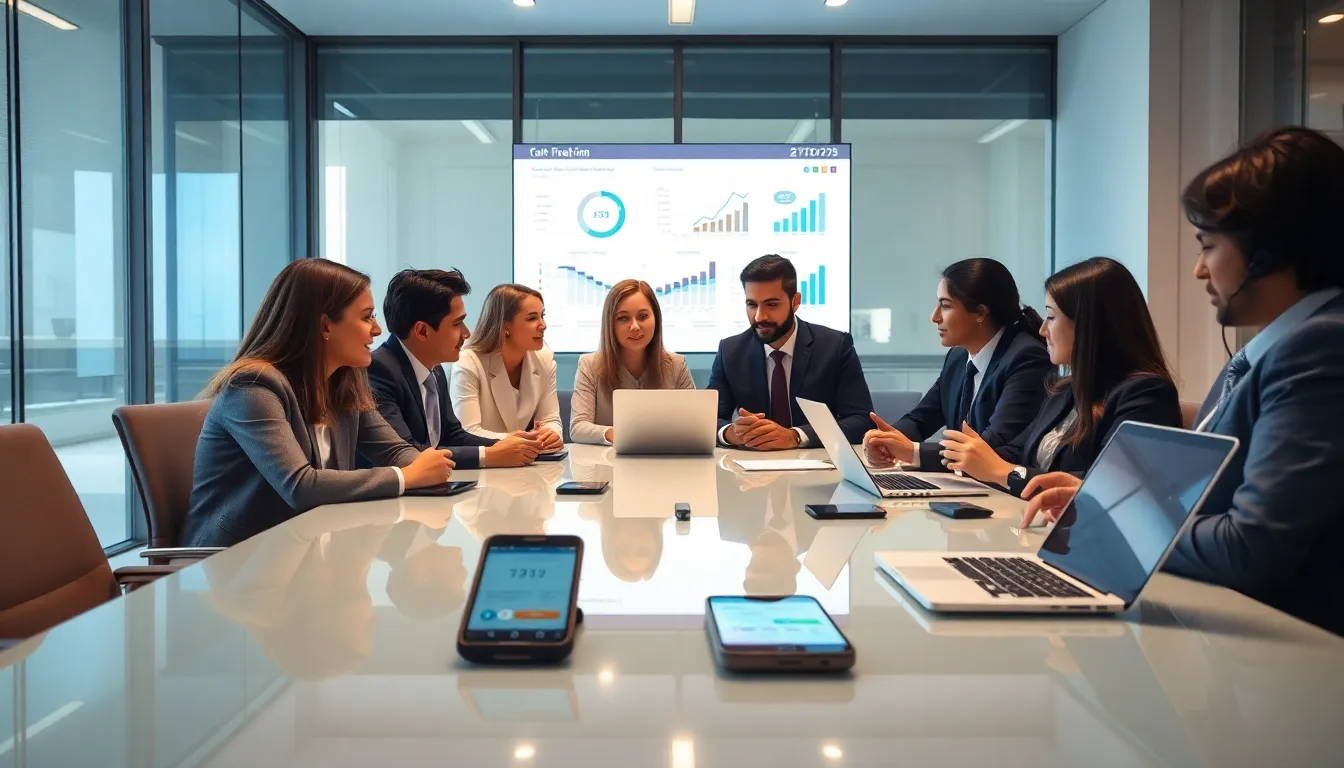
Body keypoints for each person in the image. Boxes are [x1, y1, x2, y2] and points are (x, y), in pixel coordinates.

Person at [1022, 128, 1344, 636]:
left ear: (1272, 251)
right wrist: (1093, 500)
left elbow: (1249, 547)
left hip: (1286, 651)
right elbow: (1200, 503)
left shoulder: (1320, 349)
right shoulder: (1266, 355)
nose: (1198, 270)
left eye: (1209, 245)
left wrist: (1112, 522)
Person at [181, 259, 457, 548]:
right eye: (366, 317)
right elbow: (300, 486)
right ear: (326, 325)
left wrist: (421, 466)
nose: (377, 330)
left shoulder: (343, 382)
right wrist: (407, 476)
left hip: (305, 549)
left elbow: (395, 450)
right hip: (235, 562)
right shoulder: (252, 387)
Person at [939, 257, 1182, 495]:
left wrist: (1003, 472)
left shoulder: (1146, 394)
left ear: (1089, 325)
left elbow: (1113, 488)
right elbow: (1016, 452)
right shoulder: (1066, 390)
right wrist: (975, 454)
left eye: (1051, 317)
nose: (1043, 329)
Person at [863, 258, 1052, 469]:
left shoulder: (1027, 357)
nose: (934, 317)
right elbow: (920, 419)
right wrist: (885, 441)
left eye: (945, 306)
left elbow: (991, 446)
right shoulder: (958, 356)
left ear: (980, 312)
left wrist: (913, 452)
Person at [368, 269, 544, 468]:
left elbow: (453, 436)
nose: (467, 333)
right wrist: (488, 455)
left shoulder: (434, 368)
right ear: (422, 330)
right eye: (457, 324)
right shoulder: (379, 370)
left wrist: (511, 443)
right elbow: (406, 452)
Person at [708, 255, 873, 449]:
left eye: (772, 304)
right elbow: (708, 420)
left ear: (795, 301)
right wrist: (729, 433)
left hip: (816, 469)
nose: (760, 316)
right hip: (750, 471)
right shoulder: (731, 351)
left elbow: (861, 421)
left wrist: (796, 436)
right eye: (752, 304)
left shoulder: (835, 346)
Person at [570, 279, 695, 445]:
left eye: (643, 316)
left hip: (664, 465)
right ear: (610, 324)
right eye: (623, 318)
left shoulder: (677, 365)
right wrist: (616, 434)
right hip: (607, 465)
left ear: (656, 319)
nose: (635, 326)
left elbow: (695, 426)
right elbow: (578, 428)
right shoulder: (590, 364)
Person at [449, 284, 565, 450]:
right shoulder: (468, 363)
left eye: (542, 316)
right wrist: (524, 439)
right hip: (484, 465)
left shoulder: (544, 360)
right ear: (504, 325)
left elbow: (551, 419)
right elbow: (468, 431)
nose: (543, 325)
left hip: (525, 462)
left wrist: (550, 434)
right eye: (532, 318)